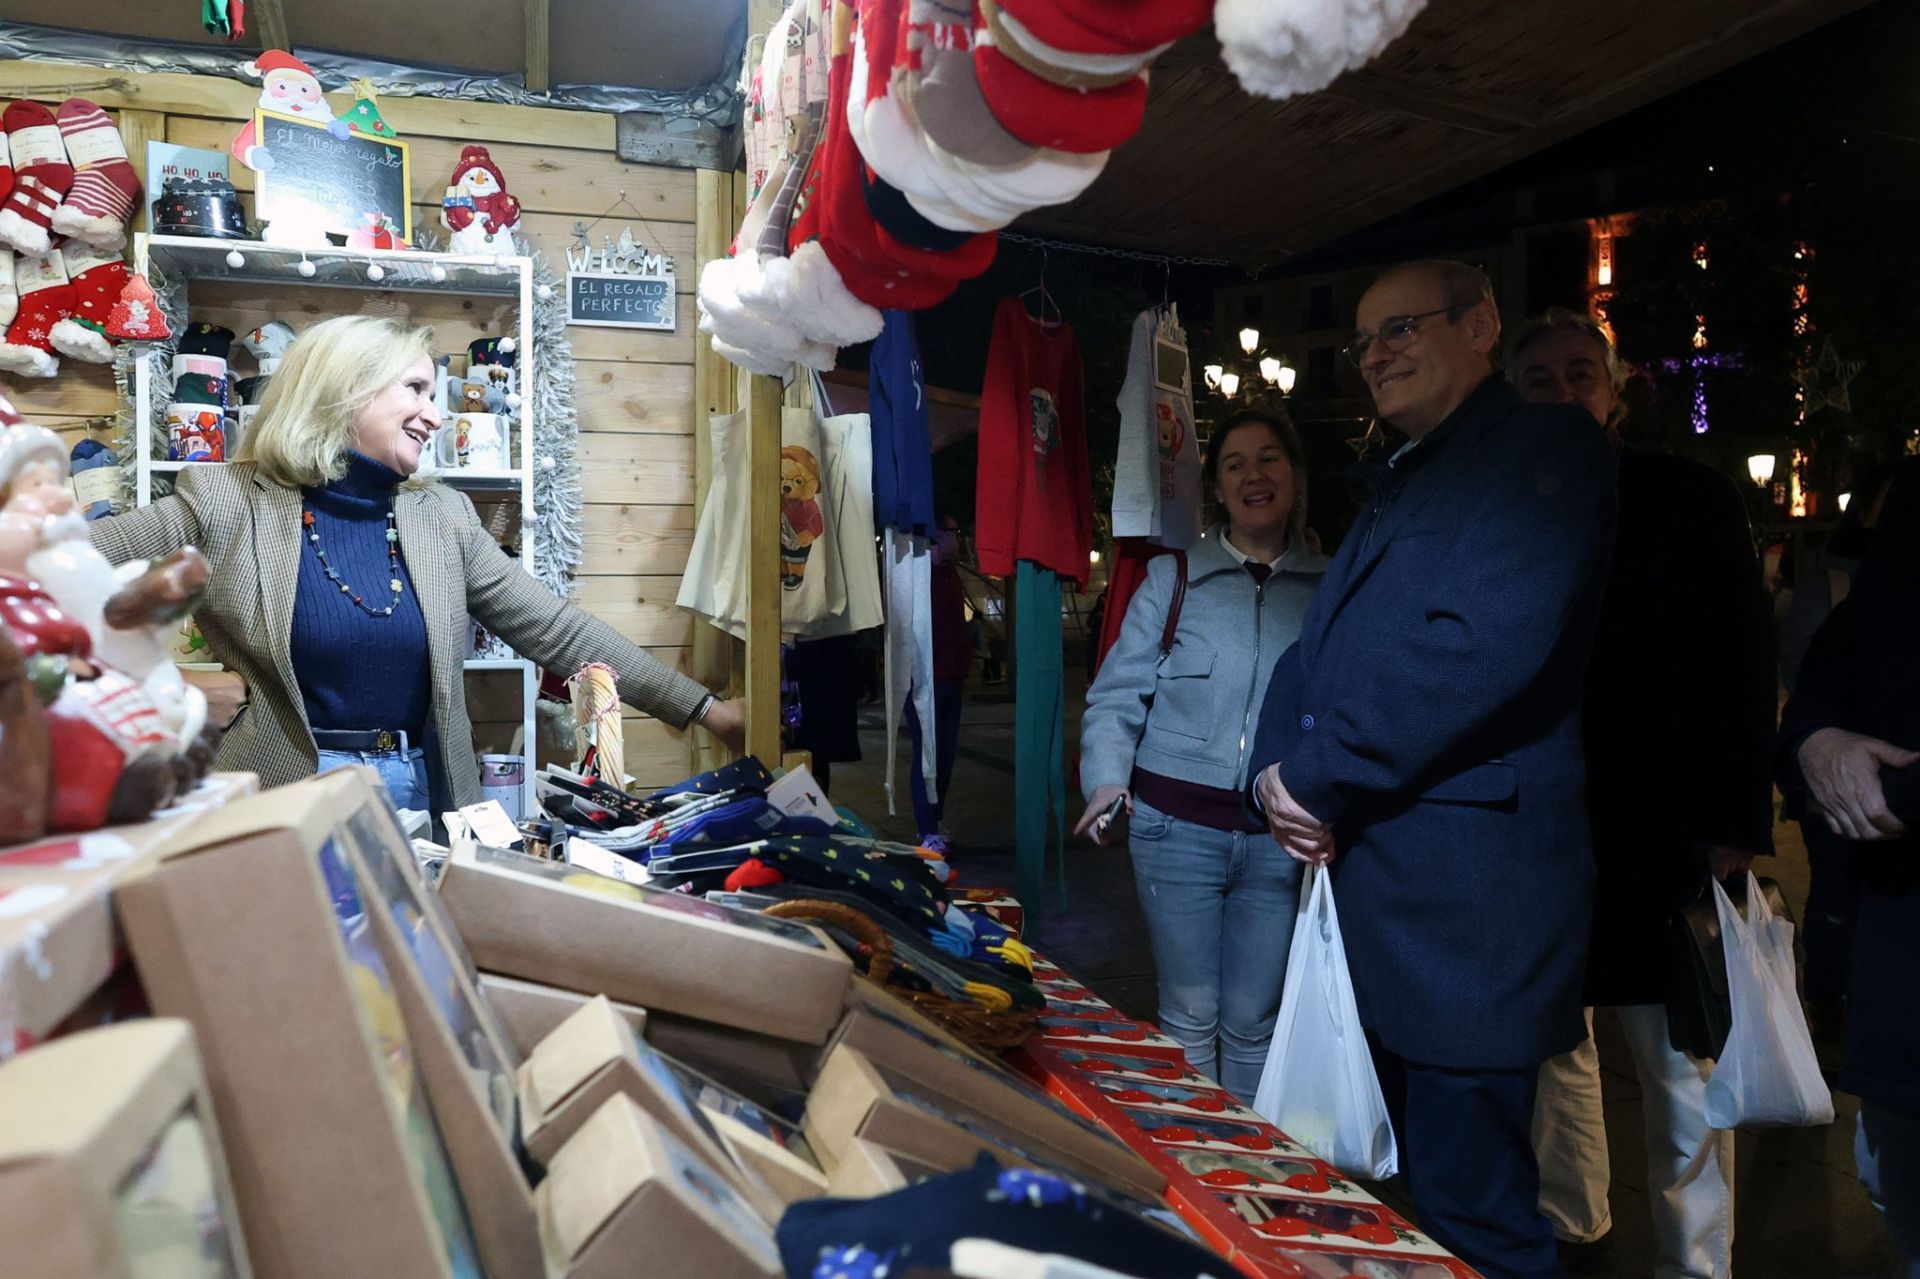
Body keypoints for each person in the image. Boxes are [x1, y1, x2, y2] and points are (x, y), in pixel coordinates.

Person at [1245, 262, 1615, 1279]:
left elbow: (1476, 646)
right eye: (1364, 341)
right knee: (1417, 1205)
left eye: (1401, 327)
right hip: (1389, 904)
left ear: (1482, 322)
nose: (1377, 355)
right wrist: (1278, 772)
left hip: (1471, 916)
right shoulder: (1407, 474)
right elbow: (1309, 654)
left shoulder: (1545, 447)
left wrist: (1318, 775)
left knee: (1475, 1211)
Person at [91, 316, 743, 812]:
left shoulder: (444, 517)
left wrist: (706, 710)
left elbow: (557, 630)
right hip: (276, 791)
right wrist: (173, 687)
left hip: (415, 789)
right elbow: (68, 561)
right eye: (416, 389)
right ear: (345, 391)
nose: (435, 414)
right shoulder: (225, 499)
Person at [1510, 309, 1775, 1279]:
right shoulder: (1501, 500)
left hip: (1664, 832)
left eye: (1581, 372)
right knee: (1555, 1052)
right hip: (1540, 832)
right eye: (1539, 378)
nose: (1565, 390)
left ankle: (1697, 1261)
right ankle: (1575, 1223)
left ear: (1613, 389)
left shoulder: (1685, 497)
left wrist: (1734, 827)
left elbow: (1742, 661)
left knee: (1684, 1065)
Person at [1077, 408, 1329, 1099]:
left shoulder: (1328, 589)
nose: (1255, 476)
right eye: (1236, 463)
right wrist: (1105, 781)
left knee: (1253, 1020)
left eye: (1270, 458)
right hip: (1172, 830)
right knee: (1190, 1014)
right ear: (1217, 486)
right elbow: (1116, 696)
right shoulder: (1176, 577)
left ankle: (1242, 1177)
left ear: (1296, 476)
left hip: (1278, 840)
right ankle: (1193, 1168)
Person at [1776, 458, 1920, 1279]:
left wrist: (1900, 790)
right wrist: (1820, 742)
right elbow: (1828, 674)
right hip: (1900, 934)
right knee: (1897, 1168)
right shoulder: (1910, 515)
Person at [904, 514, 972, 852]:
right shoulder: (920, 576)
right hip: (926, 681)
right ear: (937, 537)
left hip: (952, 678)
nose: (957, 540)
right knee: (927, 755)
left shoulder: (950, 575)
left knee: (944, 755)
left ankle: (935, 817)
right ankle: (926, 827)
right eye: (954, 533)